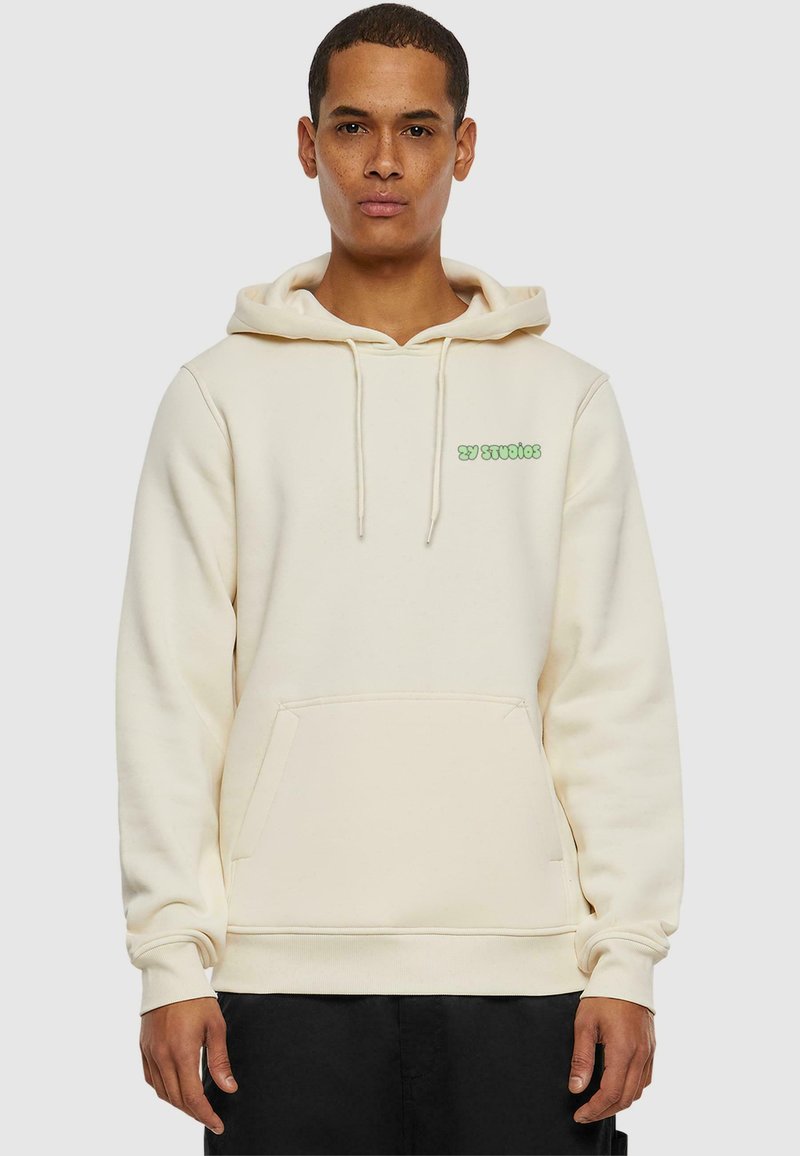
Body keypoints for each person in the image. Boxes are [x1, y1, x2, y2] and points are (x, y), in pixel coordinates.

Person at [115, 4, 684, 1153]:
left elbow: (609, 686)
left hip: (527, 974)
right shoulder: (217, 397)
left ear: (462, 147)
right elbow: (172, 692)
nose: (383, 161)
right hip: (277, 976)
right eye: (352, 126)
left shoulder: (561, 400)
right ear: (306, 144)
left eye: (417, 128)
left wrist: (624, 955)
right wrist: (170, 957)